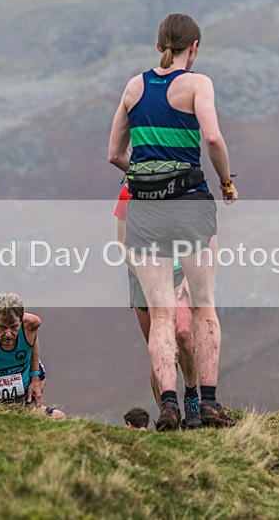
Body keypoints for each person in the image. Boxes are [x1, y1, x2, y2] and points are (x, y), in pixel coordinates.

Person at [108, 13, 237, 430]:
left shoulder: (134, 86)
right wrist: (226, 183)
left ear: (158, 44)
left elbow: (114, 154)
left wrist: (147, 174)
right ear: (194, 47)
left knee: (161, 315)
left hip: (146, 208)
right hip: (190, 204)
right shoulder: (198, 84)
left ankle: (168, 405)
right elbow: (212, 137)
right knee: (203, 306)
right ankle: (210, 403)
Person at [115, 184, 202, 429]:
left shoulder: (181, 184)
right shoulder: (128, 192)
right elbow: (121, 245)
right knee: (160, 351)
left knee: (183, 337)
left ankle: (192, 400)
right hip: (143, 275)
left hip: (178, 271)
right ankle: (168, 415)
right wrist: (146, 277)